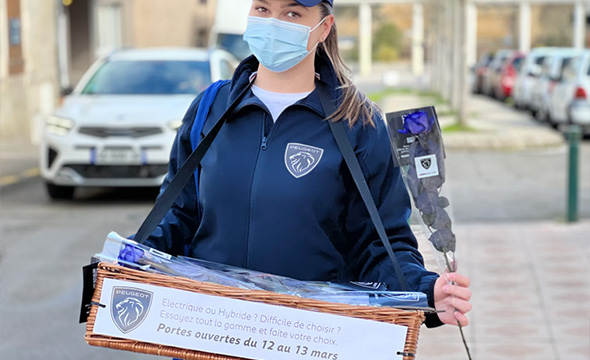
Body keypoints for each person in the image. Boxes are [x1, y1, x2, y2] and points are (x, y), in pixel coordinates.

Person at [142, 0, 471, 328]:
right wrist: (133, 255)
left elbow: (380, 244)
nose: (273, 23)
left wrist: (425, 293)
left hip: (309, 336)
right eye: (262, 9)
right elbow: (178, 214)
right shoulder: (210, 109)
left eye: (292, 13)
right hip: (211, 331)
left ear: (324, 27)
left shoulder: (358, 124)